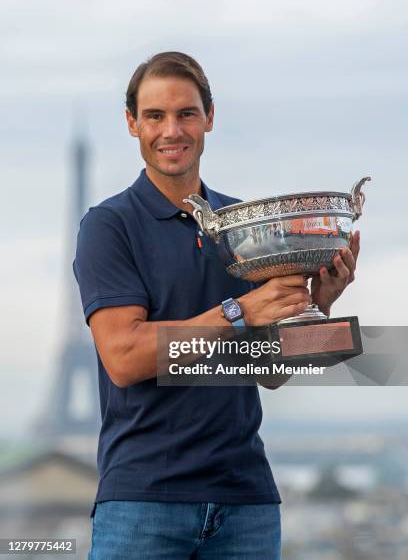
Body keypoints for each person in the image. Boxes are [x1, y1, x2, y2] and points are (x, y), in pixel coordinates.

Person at [74, 51, 359, 559]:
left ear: (209, 117)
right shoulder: (109, 226)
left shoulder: (246, 226)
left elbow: (269, 372)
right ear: (132, 123)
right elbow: (124, 358)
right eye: (155, 116)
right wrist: (241, 311)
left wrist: (317, 304)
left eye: (185, 113)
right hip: (145, 503)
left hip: (245, 502)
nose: (172, 131)